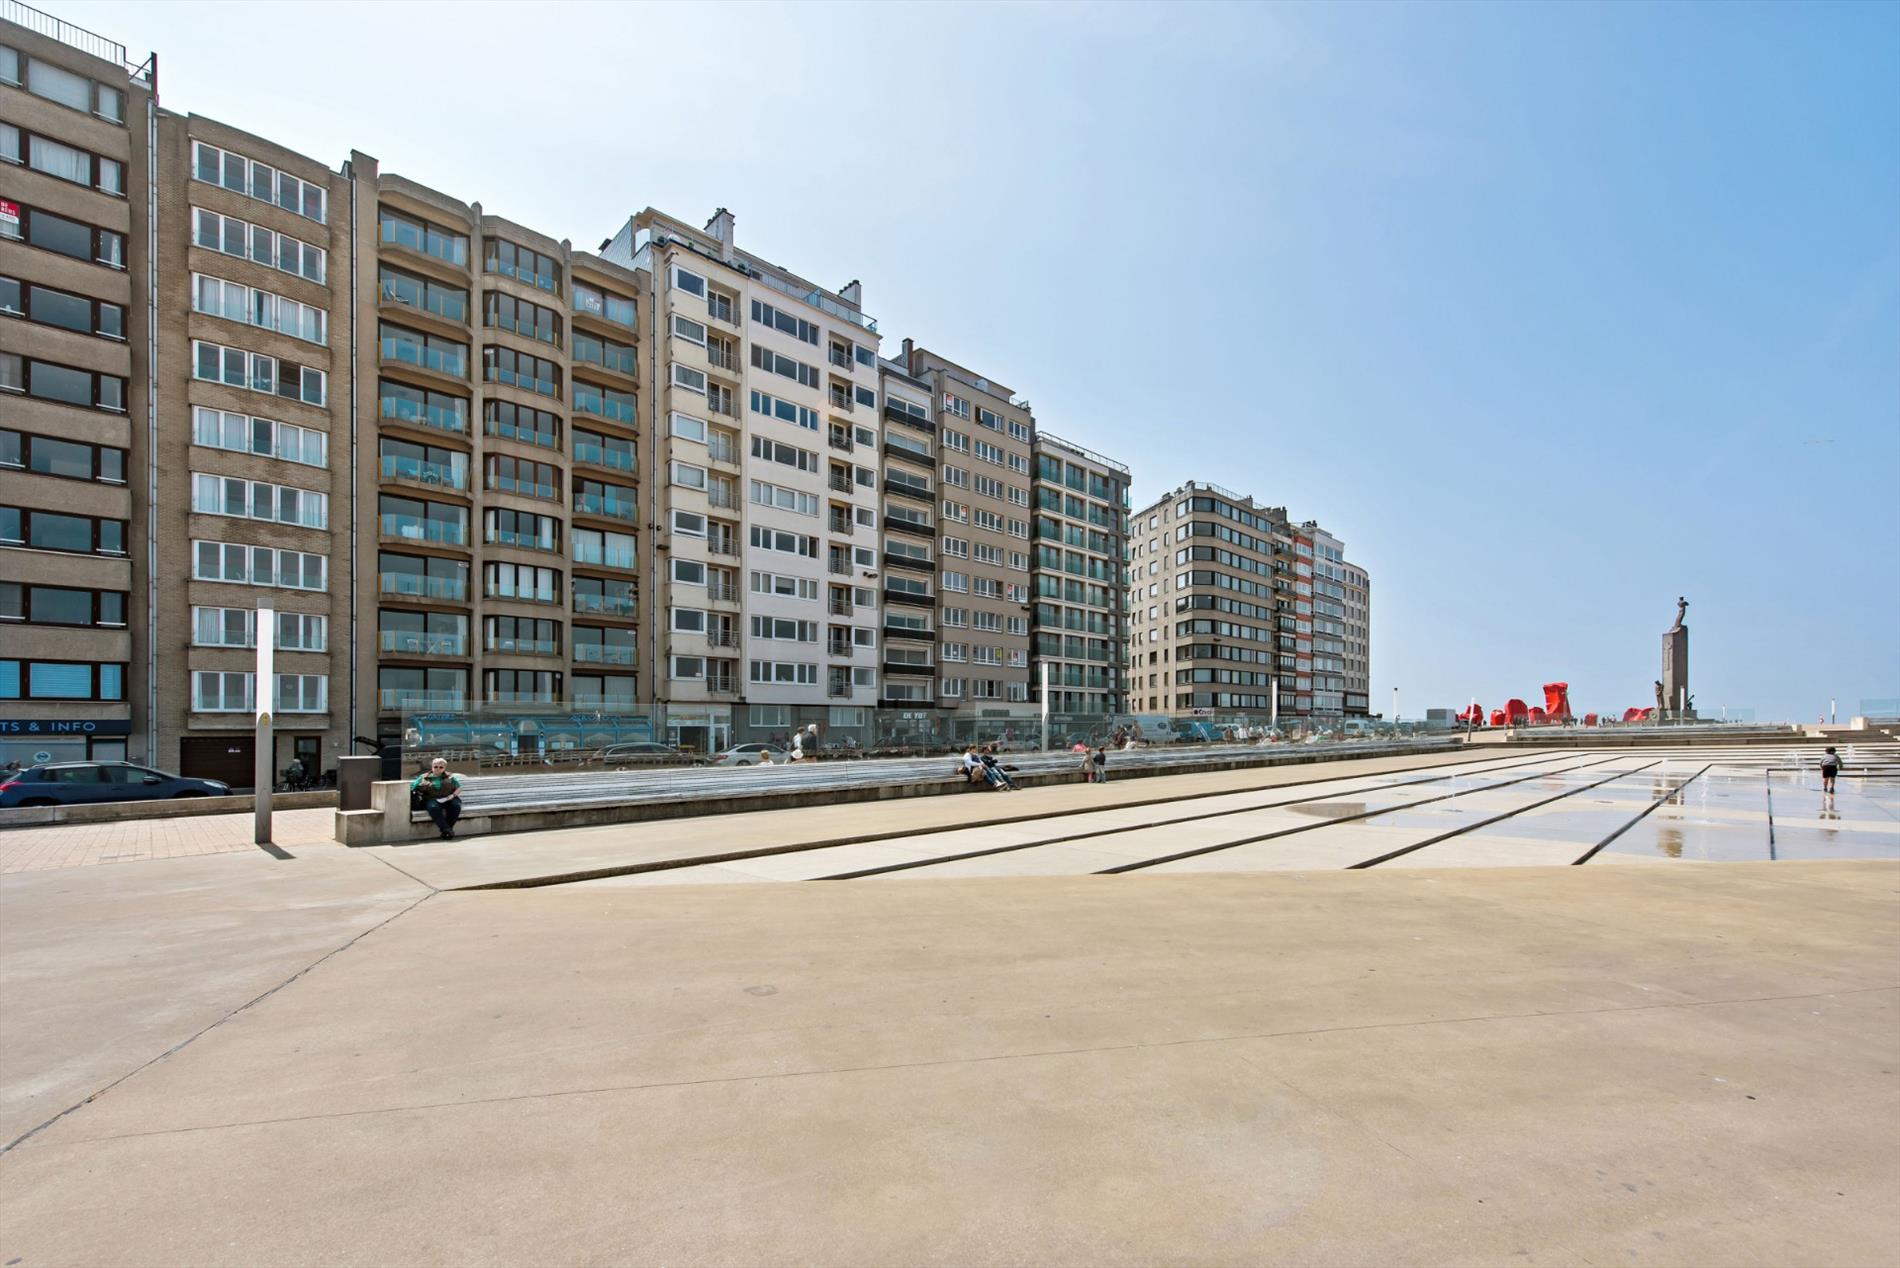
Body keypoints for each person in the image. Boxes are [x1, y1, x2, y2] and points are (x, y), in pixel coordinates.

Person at [410, 758, 463, 840]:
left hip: (449, 797)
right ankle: (447, 830)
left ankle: (446, 830)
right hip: (431, 799)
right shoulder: (423, 777)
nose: (438, 769)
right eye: (435, 767)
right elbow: (413, 787)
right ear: (432, 767)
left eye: (441, 767)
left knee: (456, 806)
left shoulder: (451, 777)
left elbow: (459, 788)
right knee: (433, 807)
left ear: (444, 768)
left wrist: (453, 795)